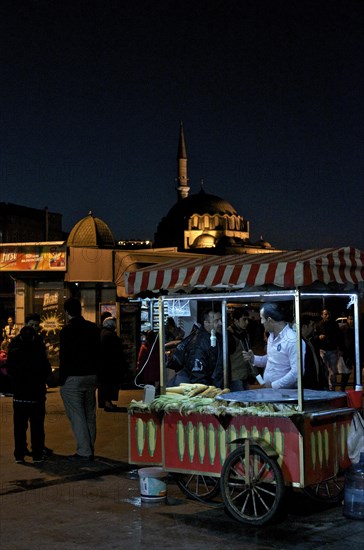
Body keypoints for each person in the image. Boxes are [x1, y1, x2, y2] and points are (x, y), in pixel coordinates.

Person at [59, 297, 100, 461]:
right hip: (91, 376)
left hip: (73, 378)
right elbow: (98, 354)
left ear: (67, 312)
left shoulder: (66, 331)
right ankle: (89, 447)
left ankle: (84, 451)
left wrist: (62, 380)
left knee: (77, 416)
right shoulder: (92, 328)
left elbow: (64, 357)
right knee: (89, 414)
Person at [6, 325, 52, 463]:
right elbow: (47, 371)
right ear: (33, 337)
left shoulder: (14, 352)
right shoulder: (38, 352)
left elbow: (10, 371)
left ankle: (19, 454)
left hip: (20, 395)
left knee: (19, 426)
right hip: (36, 394)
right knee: (37, 426)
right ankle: (37, 454)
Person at [243, 302, 306, 390]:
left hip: (286, 394)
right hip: (270, 392)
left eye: (262, 319)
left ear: (270, 320)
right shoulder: (271, 337)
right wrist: (254, 359)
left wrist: (274, 385)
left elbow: (297, 373)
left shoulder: (293, 340)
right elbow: (271, 359)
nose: (261, 322)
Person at [171, 308, 224, 388]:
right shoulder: (199, 343)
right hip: (197, 386)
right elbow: (197, 375)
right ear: (206, 323)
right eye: (216, 321)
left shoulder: (216, 337)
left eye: (220, 320)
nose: (220, 323)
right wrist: (205, 392)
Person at [98, 317, 125, 411]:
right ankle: (108, 403)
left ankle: (106, 403)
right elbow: (114, 350)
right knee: (109, 385)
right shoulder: (110, 335)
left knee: (105, 384)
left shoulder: (102, 333)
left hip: (104, 365)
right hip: (110, 365)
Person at [313, 309, 343, 391]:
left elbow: (339, 336)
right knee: (324, 370)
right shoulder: (318, 325)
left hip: (332, 350)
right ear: (322, 315)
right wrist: (319, 337)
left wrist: (340, 348)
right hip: (323, 350)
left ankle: (332, 387)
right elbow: (314, 337)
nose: (327, 316)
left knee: (333, 371)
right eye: (325, 314)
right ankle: (325, 386)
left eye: (328, 314)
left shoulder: (334, 324)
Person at [227, 308, 256, 391]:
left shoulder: (244, 333)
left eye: (247, 319)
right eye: (244, 320)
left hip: (245, 374)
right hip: (235, 376)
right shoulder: (229, 335)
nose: (247, 322)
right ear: (236, 320)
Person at [301, 315, 327, 390]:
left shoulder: (309, 341)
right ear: (304, 327)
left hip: (314, 384)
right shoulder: (299, 343)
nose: (313, 328)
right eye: (311, 325)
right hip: (308, 386)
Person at [339, 313, 355, 391]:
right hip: (347, 353)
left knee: (355, 372)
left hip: (354, 353)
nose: (351, 321)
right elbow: (342, 341)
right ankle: (342, 388)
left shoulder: (356, 328)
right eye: (349, 319)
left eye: (352, 319)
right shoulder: (344, 329)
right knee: (346, 373)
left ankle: (355, 389)